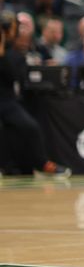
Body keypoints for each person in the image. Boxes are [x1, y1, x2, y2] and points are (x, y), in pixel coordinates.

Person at [0, 11, 70, 177]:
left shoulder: (13, 54)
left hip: (6, 101)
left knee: (30, 127)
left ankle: (42, 163)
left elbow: (15, 76)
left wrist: (1, 52)